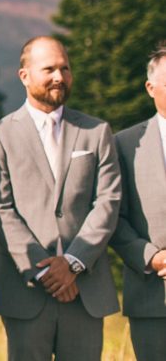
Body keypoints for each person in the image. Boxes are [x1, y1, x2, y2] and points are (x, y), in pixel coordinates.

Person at [0, 36, 121, 361]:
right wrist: (44, 271)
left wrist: (73, 262)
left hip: (85, 290)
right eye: (49, 69)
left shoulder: (97, 133)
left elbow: (108, 201)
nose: (59, 76)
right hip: (25, 291)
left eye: (65, 68)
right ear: (24, 76)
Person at [110, 43, 166, 361]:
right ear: (150, 87)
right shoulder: (125, 144)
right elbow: (112, 216)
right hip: (152, 297)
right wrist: (152, 258)